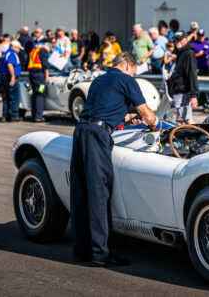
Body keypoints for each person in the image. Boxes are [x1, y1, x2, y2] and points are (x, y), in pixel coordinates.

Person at [70, 52, 158, 266]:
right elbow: (147, 115)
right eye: (134, 71)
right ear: (129, 66)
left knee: (81, 192)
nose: (133, 75)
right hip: (98, 136)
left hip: (81, 131)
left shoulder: (100, 80)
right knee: (99, 192)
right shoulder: (127, 80)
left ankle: (81, 251)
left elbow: (107, 110)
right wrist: (153, 120)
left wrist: (128, 118)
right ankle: (102, 253)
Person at [167, 31, 198, 124]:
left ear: (185, 40)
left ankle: (197, 135)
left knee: (181, 120)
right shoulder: (180, 53)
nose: (177, 41)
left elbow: (192, 74)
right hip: (178, 90)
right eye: (175, 39)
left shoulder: (188, 53)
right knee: (185, 119)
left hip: (183, 90)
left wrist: (193, 95)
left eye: (179, 39)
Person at [0, 40, 23, 122]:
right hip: (10, 76)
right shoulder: (12, 54)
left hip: (3, 76)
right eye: (19, 48)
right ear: (15, 47)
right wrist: (13, 77)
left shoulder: (5, 54)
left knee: (6, 97)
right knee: (15, 97)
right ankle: (14, 115)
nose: (19, 50)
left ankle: (5, 115)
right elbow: (10, 64)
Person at [28, 43, 51, 122]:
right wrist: (47, 76)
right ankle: (38, 116)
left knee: (35, 94)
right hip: (39, 75)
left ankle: (34, 115)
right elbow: (44, 64)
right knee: (40, 94)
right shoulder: (44, 51)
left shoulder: (34, 50)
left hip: (32, 74)